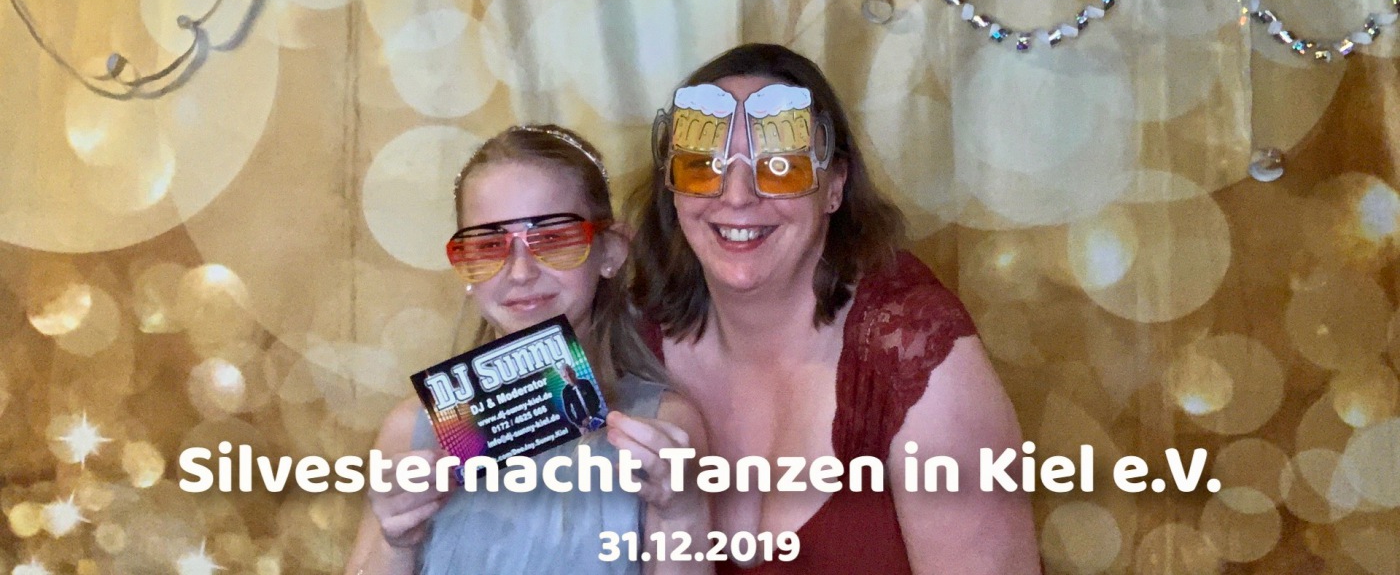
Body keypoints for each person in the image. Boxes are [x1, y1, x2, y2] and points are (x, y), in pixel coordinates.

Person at [629, 44, 1041, 574]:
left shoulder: (916, 351)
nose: (737, 195)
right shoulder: (634, 344)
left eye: (780, 165)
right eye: (703, 165)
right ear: (673, 187)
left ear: (835, 187)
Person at [345, 125, 712, 575]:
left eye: (553, 239)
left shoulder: (663, 428)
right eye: (488, 245)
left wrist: (683, 514)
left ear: (611, 252)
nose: (520, 271)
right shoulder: (410, 430)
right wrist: (395, 545)